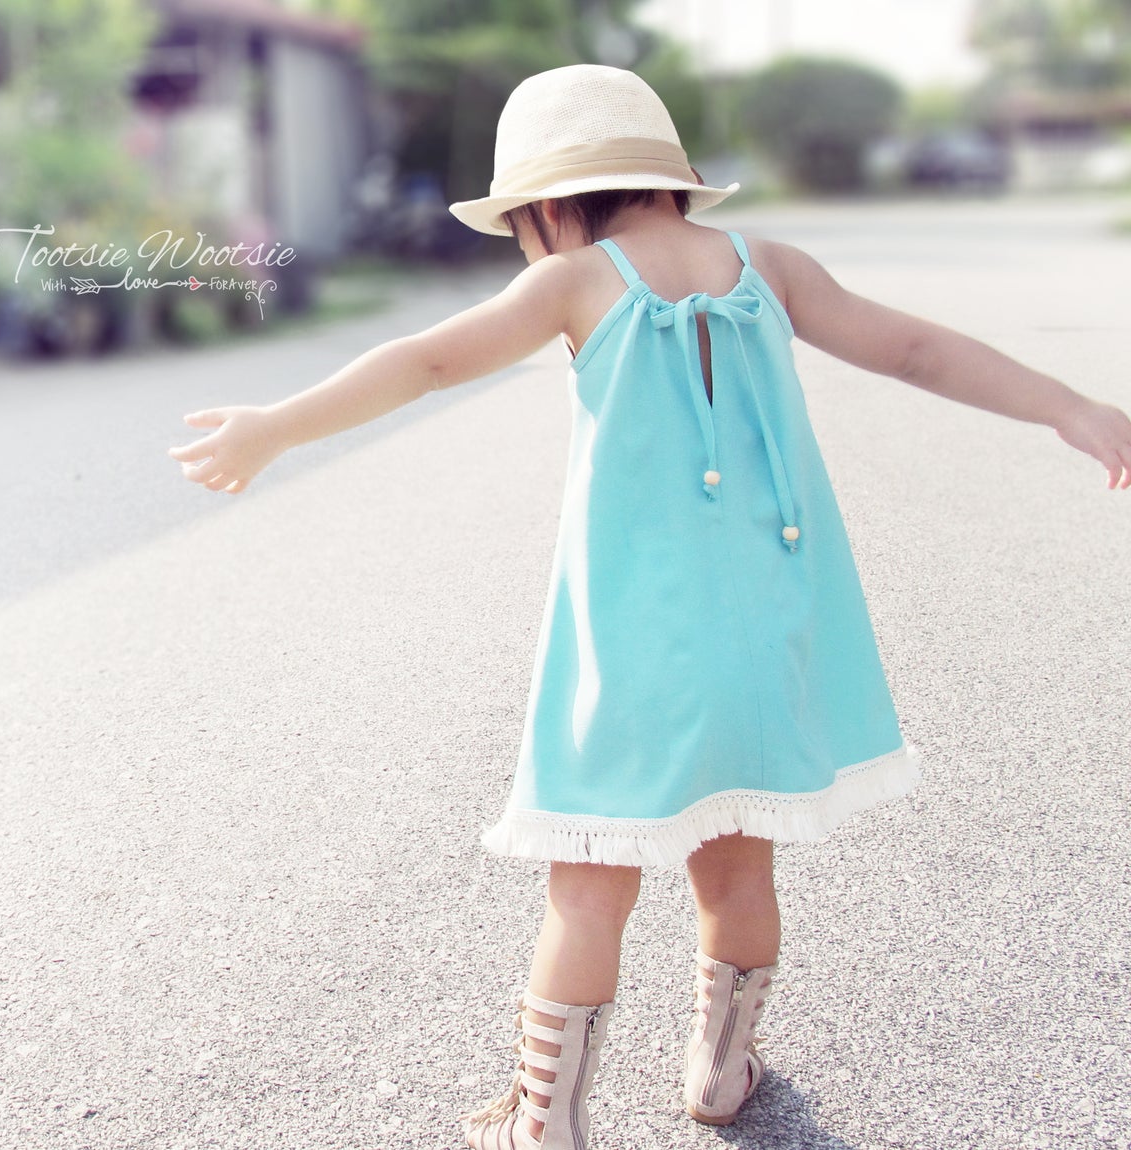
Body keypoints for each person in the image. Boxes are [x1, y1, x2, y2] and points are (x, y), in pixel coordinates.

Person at [163, 64, 1131, 1149]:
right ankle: (719, 1072)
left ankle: (547, 1120)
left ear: (543, 207)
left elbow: (426, 361)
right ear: (669, 181)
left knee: (587, 887)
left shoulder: (572, 281)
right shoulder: (769, 266)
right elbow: (914, 348)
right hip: (769, 631)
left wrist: (275, 427)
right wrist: (1068, 406)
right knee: (738, 863)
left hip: (629, 645)